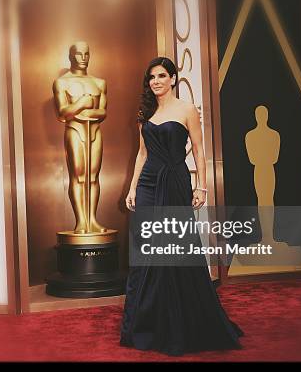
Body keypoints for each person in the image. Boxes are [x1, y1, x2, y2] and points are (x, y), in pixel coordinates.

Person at [120, 57, 243, 356]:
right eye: (151, 77)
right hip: (148, 183)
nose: (156, 81)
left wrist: (202, 185)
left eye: (162, 75)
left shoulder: (187, 109)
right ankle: (144, 322)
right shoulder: (146, 112)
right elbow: (142, 154)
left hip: (175, 182)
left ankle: (179, 321)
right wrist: (133, 186)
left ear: (173, 78)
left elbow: (199, 150)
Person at [53, 41, 108, 234]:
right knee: (78, 176)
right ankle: (81, 222)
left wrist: (80, 112)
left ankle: (92, 219)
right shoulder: (62, 82)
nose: (83, 58)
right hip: (75, 131)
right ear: (71, 56)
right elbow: (61, 113)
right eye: (78, 54)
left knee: (93, 177)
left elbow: (102, 113)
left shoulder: (99, 83)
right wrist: (82, 105)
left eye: (86, 54)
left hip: (94, 132)